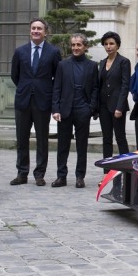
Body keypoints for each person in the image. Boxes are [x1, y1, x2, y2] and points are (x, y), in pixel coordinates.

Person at [10, 18, 60, 186]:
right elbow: (15, 75)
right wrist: (26, 87)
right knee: (22, 138)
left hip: (42, 101)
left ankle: (39, 174)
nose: (36, 31)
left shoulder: (53, 52)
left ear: (45, 32)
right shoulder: (20, 51)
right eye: (33, 28)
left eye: (39, 28)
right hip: (23, 100)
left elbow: (57, 77)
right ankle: (22, 173)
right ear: (30, 31)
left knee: (42, 139)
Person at [51, 33, 99, 188]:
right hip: (65, 110)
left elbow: (95, 89)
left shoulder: (92, 66)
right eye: (73, 45)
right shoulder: (62, 65)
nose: (75, 48)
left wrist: (90, 108)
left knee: (81, 145)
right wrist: (55, 109)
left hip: (82, 110)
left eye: (79, 45)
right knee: (62, 145)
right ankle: (61, 176)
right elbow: (56, 88)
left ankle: (80, 177)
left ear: (85, 47)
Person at [96, 31, 131, 159]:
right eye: (106, 44)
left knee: (120, 137)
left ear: (118, 45)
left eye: (111, 43)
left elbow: (125, 85)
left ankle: (127, 167)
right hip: (103, 106)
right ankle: (107, 171)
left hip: (117, 106)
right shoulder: (102, 62)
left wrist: (119, 107)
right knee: (106, 138)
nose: (108, 46)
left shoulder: (124, 62)